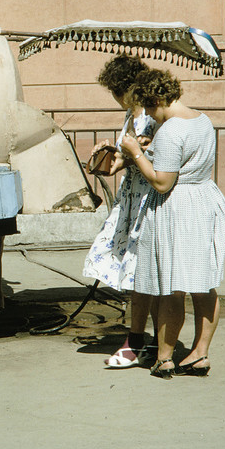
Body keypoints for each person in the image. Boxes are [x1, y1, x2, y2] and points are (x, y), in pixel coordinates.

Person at [119, 68, 225, 379]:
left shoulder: (171, 131)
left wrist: (136, 152)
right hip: (204, 200)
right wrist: (151, 146)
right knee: (204, 285)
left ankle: (164, 359)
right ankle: (199, 354)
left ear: (156, 102)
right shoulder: (202, 120)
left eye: (149, 109)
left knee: (172, 287)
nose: (150, 117)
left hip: (178, 207)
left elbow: (162, 182)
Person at [82, 55, 157, 369]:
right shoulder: (130, 115)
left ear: (126, 89)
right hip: (130, 198)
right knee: (134, 273)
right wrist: (104, 157)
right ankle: (143, 340)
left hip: (149, 198)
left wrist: (136, 150)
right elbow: (119, 165)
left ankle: (138, 341)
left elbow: (156, 153)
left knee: (144, 273)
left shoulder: (153, 115)